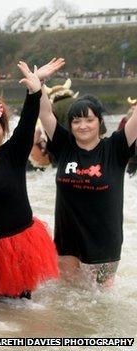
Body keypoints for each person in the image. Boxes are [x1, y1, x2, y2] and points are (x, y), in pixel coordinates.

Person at [0, 60, 61, 299]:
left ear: (4, 132)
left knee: (21, 312)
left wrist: (34, 88)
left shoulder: (13, 153)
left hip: (19, 247)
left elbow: (28, 122)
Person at [37, 62, 137, 287]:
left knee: (100, 304)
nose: (83, 126)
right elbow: (44, 111)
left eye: (89, 120)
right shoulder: (64, 146)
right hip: (67, 241)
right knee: (69, 300)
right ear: (70, 125)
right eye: (76, 121)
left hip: (104, 243)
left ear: (99, 122)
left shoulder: (116, 148)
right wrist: (39, 82)